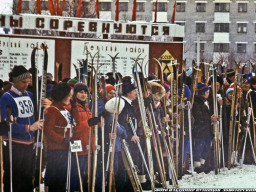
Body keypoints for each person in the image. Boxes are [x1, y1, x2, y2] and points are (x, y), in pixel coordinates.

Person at [0, 65, 43, 192]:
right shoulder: (7, 97)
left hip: (29, 142)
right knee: (14, 176)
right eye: (23, 82)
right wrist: (29, 128)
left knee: (27, 176)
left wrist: (44, 106)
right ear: (15, 81)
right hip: (14, 143)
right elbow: (7, 124)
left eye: (28, 82)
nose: (26, 85)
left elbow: (35, 114)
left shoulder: (30, 94)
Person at [44, 82, 73, 192]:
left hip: (65, 148)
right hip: (56, 150)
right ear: (62, 95)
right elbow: (48, 130)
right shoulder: (53, 109)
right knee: (57, 180)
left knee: (63, 179)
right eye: (68, 96)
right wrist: (62, 139)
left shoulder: (64, 108)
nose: (70, 98)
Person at [66, 83, 93, 192]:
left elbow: (89, 123)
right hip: (77, 142)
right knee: (77, 170)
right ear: (75, 93)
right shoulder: (73, 107)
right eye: (81, 92)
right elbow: (76, 124)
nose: (84, 95)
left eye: (85, 92)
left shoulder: (86, 107)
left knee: (85, 171)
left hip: (87, 142)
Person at [192, 83, 218, 173]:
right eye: (207, 91)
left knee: (207, 146)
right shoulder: (197, 102)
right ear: (203, 92)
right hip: (200, 129)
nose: (208, 93)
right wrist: (210, 118)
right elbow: (198, 116)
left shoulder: (205, 101)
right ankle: (197, 165)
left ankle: (202, 164)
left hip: (207, 129)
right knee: (199, 146)